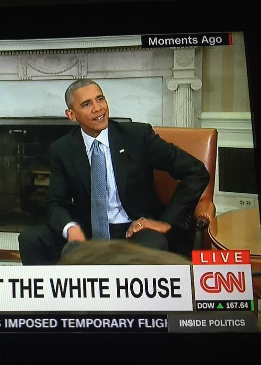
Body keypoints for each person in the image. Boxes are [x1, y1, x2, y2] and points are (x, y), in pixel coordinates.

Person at [18, 79, 210, 265]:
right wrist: (71, 228)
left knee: (152, 246)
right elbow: (55, 203)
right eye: (87, 104)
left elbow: (196, 171)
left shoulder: (137, 136)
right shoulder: (62, 149)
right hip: (88, 230)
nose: (98, 108)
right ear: (71, 114)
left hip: (136, 228)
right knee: (31, 239)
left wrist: (166, 222)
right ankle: (58, 298)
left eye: (100, 99)